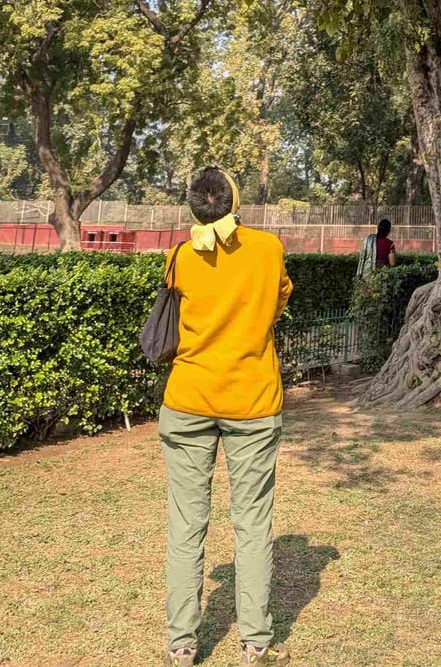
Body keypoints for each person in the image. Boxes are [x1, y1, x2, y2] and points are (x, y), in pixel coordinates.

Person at [159, 166, 293, 667]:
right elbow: (278, 301)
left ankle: (181, 644)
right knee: (253, 523)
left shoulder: (178, 256)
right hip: (252, 401)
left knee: (186, 524)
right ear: (234, 202)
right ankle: (256, 640)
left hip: (188, 399)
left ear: (196, 206)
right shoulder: (267, 249)